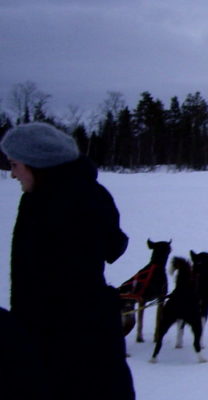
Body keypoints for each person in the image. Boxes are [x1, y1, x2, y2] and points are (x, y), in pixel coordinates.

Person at [2, 122, 135, 399]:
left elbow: (55, 289)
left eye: (15, 164)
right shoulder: (88, 193)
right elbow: (115, 245)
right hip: (86, 332)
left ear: (38, 164)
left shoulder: (52, 204)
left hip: (68, 342)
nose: (12, 173)